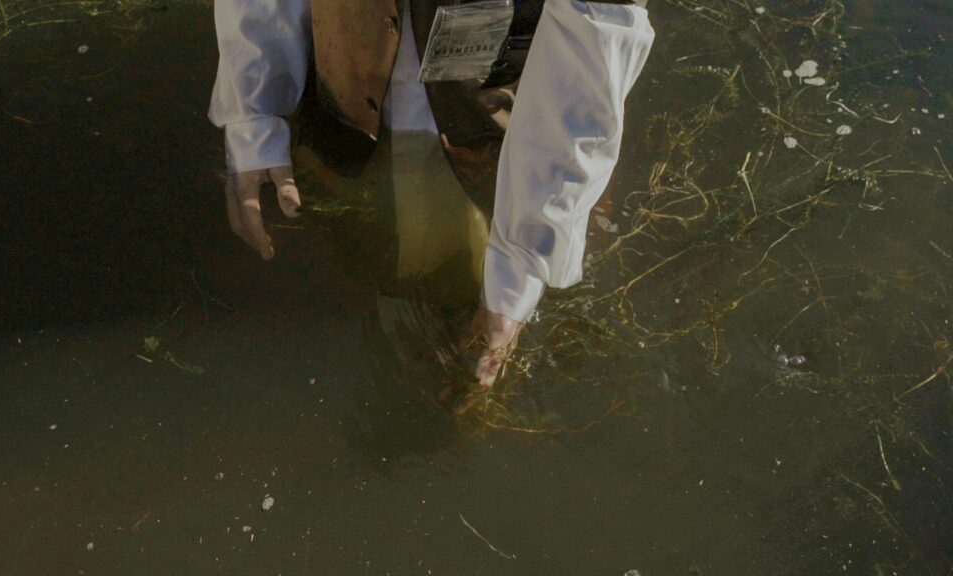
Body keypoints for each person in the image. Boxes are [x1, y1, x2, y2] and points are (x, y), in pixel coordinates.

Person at [208, 0, 654, 390]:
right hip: (343, 99)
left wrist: (523, 260)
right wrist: (255, 108)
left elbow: (595, 33)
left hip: (505, 131)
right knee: (354, 273)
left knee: (478, 329)